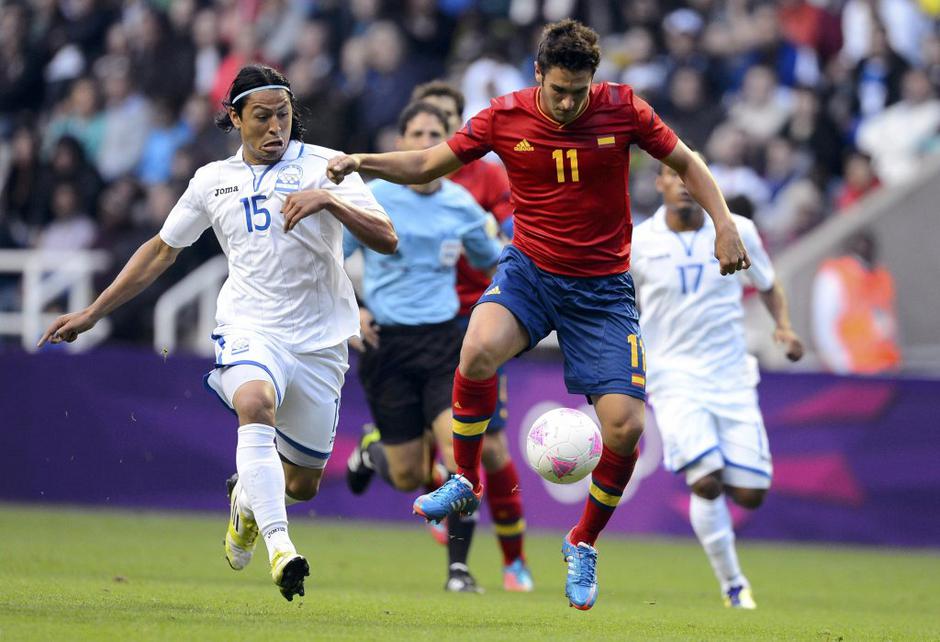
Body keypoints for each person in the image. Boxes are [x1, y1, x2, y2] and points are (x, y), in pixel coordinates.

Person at [327, 19, 751, 610]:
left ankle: (583, 542)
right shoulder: (505, 115)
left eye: (580, 91)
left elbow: (689, 162)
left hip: (602, 293)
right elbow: (427, 164)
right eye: (559, 91)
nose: (570, 102)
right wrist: (361, 163)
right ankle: (464, 480)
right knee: (475, 349)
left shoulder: (625, 109)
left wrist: (724, 223)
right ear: (538, 76)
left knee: (625, 428)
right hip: (530, 274)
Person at [37, 64, 397, 601]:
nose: (276, 127)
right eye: (262, 117)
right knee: (254, 401)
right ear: (234, 118)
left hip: (321, 341)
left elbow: (388, 238)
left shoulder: (327, 166)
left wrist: (332, 200)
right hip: (250, 327)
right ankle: (281, 550)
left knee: (302, 482)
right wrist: (94, 312)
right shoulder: (211, 180)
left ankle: (248, 503)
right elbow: (161, 250)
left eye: (284, 115)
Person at [343, 101, 502, 593]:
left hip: (443, 344)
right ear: (401, 142)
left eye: (436, 133)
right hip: (385, 343)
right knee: (410, 474)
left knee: (461, 458)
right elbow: (328, 261)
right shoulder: (373, 196)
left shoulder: (461, 205)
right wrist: (352, 312)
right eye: (417, 132)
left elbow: (492, 261)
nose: (426, 141)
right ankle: (373, 455)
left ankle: (459, 568)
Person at [631, 160, 804, 609]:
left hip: (730, 375)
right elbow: (617, 300)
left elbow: (767, 281)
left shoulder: (736, 227)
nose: (686, 186)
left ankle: (716, 466)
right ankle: (733, 584)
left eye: (693, 178)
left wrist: (783, 325)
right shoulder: (639, 242)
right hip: (673, 374)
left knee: (750, 494)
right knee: (705, 481)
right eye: (676, 176)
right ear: (660, 183)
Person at [408, 80, 532, 592]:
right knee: (412, 456)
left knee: (494, 450)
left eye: (443, 122)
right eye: (422, 125)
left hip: (473, 320)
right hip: (415, 323)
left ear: (458, 127)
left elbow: (511, 231)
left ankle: (513, 561)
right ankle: (418, 473)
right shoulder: (404, 181)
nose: (430, 134)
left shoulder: (486, 177)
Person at [812, 230, 901, 374]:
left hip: (885, 365)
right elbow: (824, 326)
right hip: (853, 368)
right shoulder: (834, 276)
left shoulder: (880, 276)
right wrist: (842, 365)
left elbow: (889, 320)